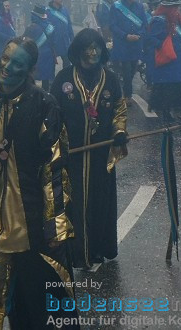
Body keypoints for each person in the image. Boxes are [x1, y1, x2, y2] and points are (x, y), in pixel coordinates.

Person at [0, 37, 77, 329]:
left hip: (32, 222)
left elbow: (55, 169)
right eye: (6, 58)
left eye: (18, 63)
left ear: (29, 69)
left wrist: (57, 223)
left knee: (38, 301)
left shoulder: (44, 105)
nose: (8, 66)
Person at [51, 29, 126, 269]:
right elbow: (53, 116)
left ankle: (98, 250)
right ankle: (76, 253)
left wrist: (119, 132)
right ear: (78, 50)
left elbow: (119, 110)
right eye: (88, 47)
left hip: (101, 157)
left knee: (99, 203)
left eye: (97, 47)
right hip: (72, 157)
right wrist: (56, 145)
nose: (93, 52)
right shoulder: (63, 79)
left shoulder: (111, 79)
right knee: (75, 204)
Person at [145, 0, 181, 121]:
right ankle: (167, 113)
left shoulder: (177, 18)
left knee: (180, 85)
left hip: (179, 60)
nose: (176, 8)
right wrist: (163, 45)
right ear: (167, 7)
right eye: (173, 6)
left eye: (177, 5)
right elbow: (151, 38)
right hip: (168, 61)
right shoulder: (159, 20)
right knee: (168, 88)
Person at [109, 0, 147, 103]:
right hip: (123, 45)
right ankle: (127, 95)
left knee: (133, 69)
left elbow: (144, 25)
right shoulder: (116, 7)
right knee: (126, 70)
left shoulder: (140, 7)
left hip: (136, 44)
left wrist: (139, 35)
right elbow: (113, 26)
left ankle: (126, 89)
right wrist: (125, 36)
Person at [23, 4, 57, 91]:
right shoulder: (50, 26)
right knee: (46, 77)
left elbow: (25, 40)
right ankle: (45, 94)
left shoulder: (31, 27)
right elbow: (53, 41)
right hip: (48, 54)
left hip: (35, 54)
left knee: (32, 75)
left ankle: (32, 93)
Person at [46, 0, 75, 68]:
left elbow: (69, 25)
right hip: (53, 42)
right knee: (51, 64)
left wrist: (72, 38)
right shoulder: (48, 12)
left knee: (67, 63)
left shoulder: (65, 10)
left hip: (65, 41)